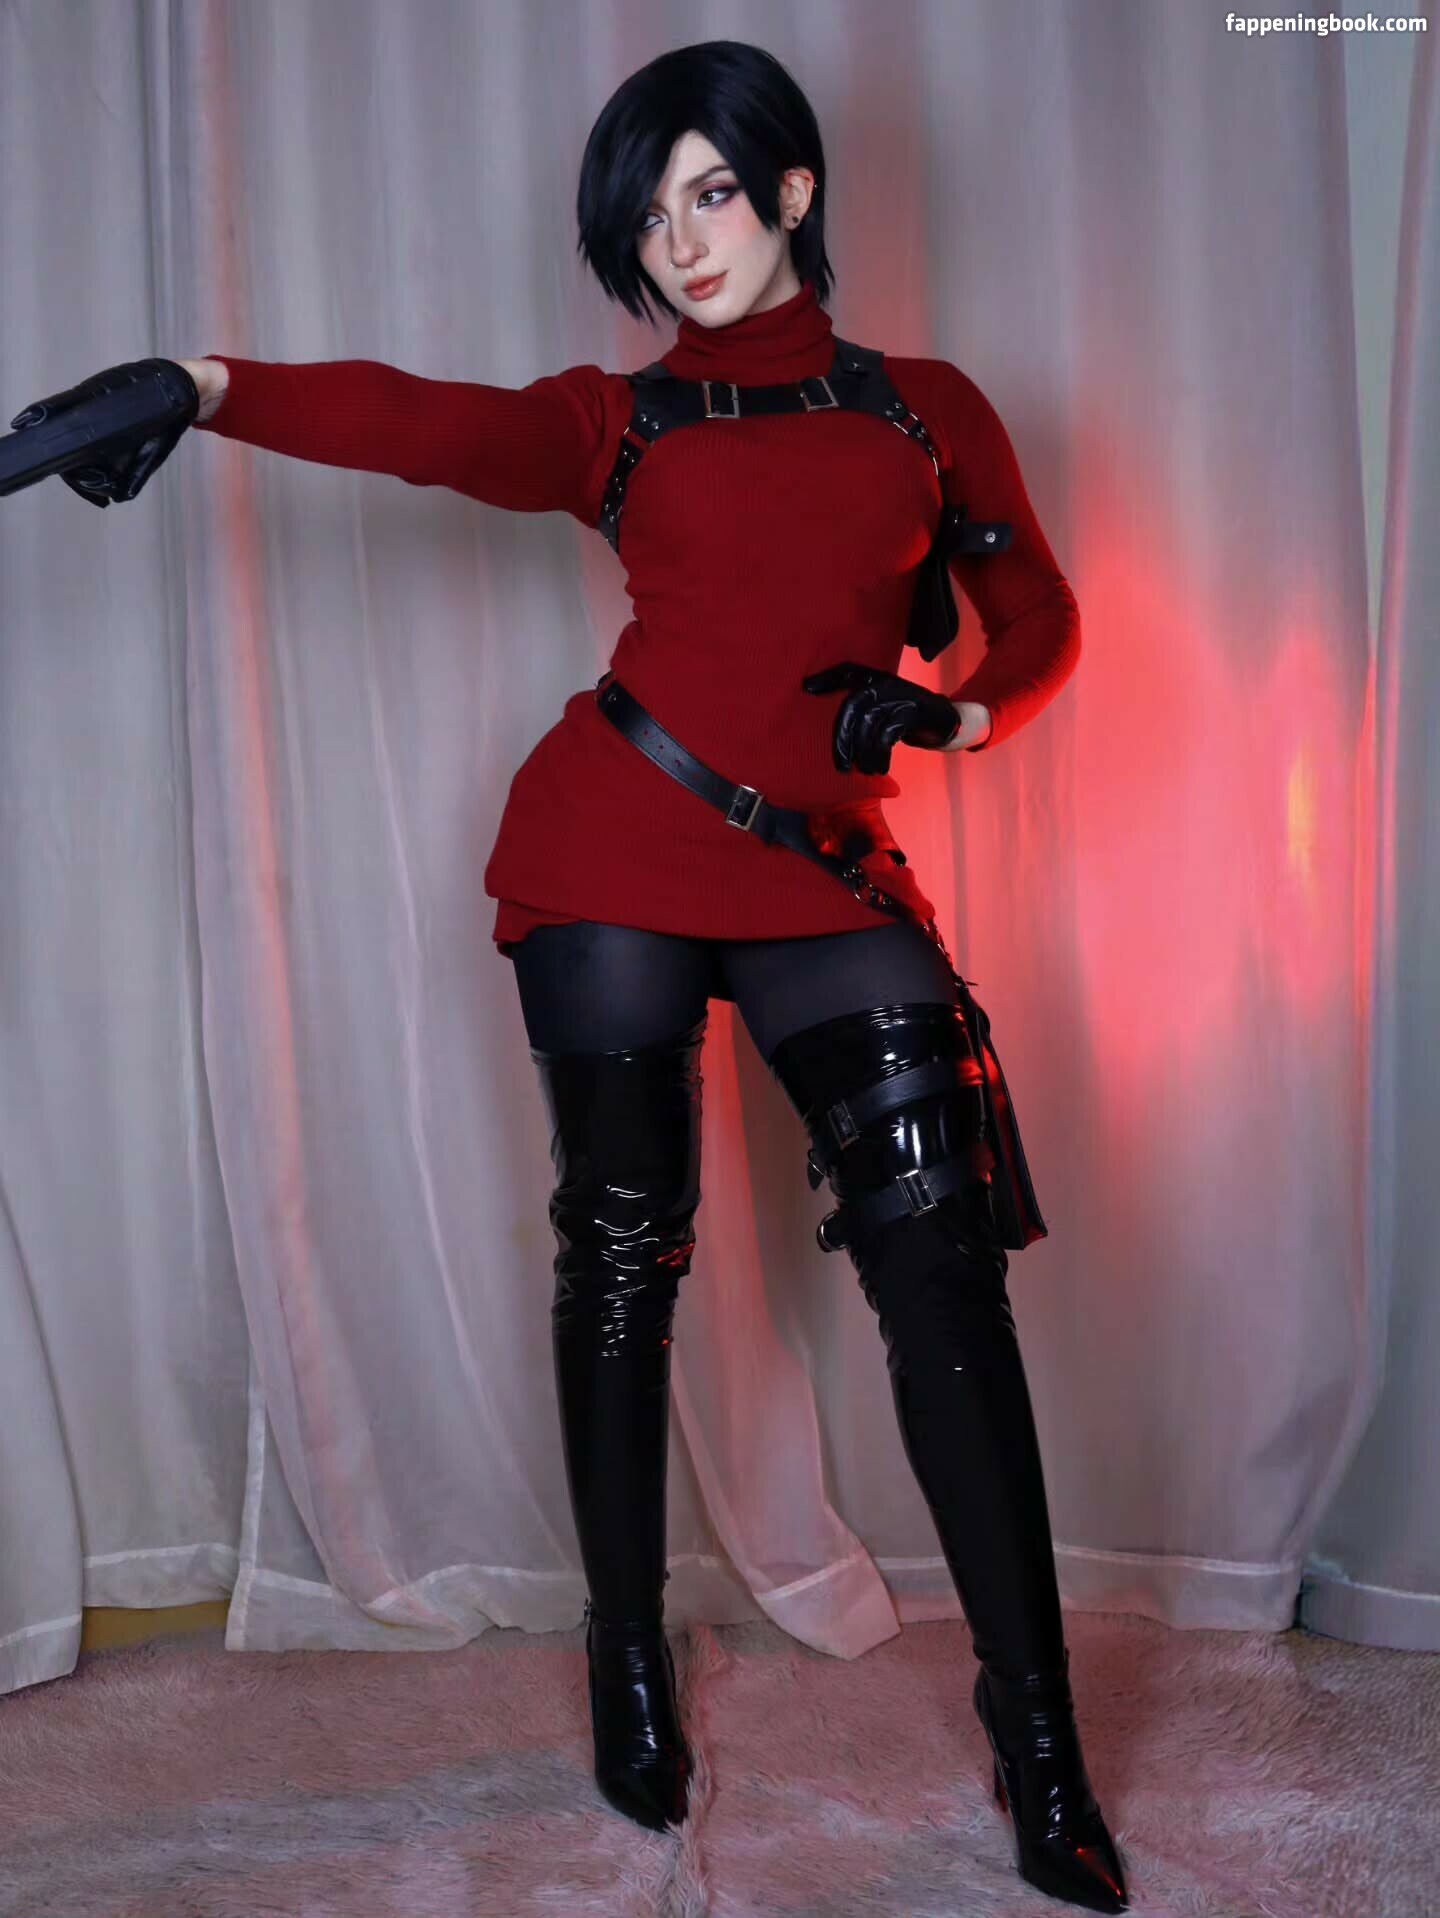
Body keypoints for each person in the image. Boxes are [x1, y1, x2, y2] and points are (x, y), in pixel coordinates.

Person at [7, 38, 1125, 1913]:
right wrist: (201, 387)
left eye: (712, 194)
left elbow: (1040, 610)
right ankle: (624, 1647)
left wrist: (960, 714)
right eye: (647, 215)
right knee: (623, 1250)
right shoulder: (624, 424)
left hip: (822, 875)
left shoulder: (928, 410)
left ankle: (1042, 1736)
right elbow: (419, 420)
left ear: (791, 192)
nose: (681, 244)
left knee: (942, 1270)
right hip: (612, 849)